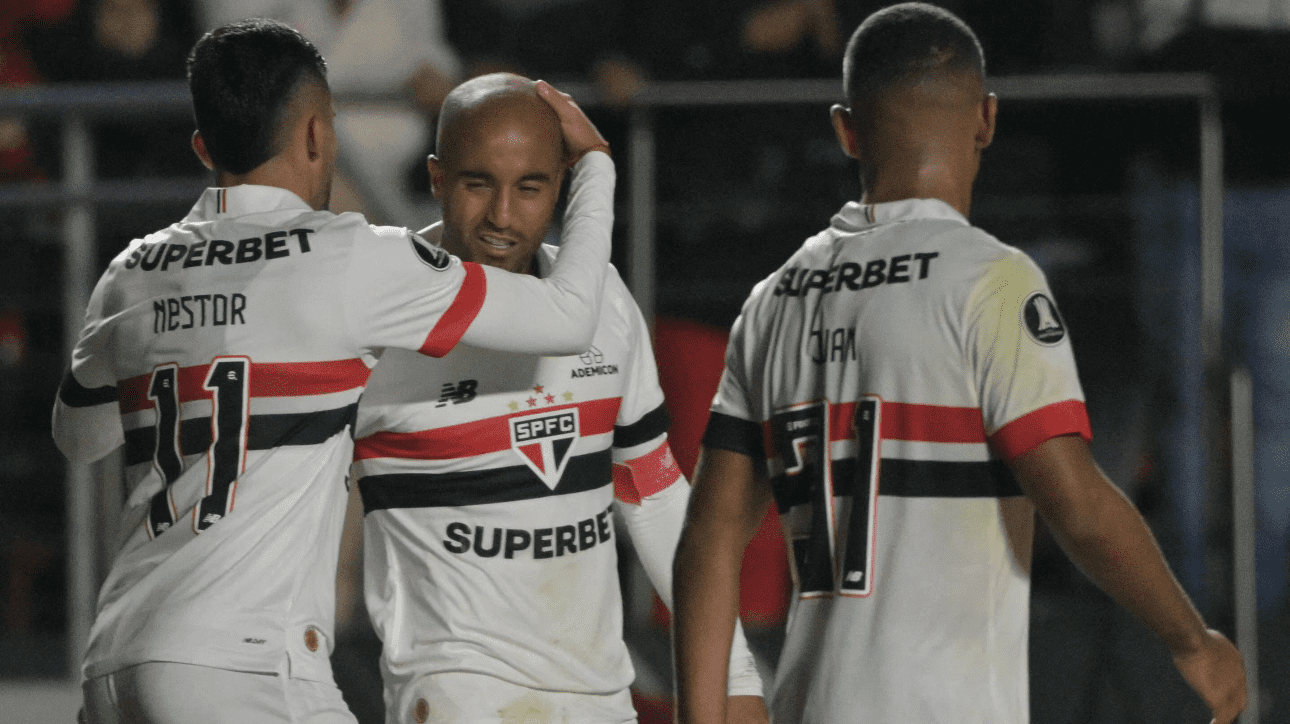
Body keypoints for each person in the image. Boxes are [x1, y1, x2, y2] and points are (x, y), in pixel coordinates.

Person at [671, 4, 1247, 724]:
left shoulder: (774, 299)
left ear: (846, 130)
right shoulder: (992, 280)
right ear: (987, 120)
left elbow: (707, 540)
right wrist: (1192, 639)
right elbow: (1075, 504)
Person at [52, 19, 616, 723]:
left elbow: (78, 438)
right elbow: (568, 317)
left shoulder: (131, 270)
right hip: (241, 663)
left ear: (203, 147)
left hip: (113, 664)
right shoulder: (351, 257)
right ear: (318, 134)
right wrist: (595, 167)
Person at [350, 73, 765, 724]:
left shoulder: (603, 298)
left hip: (599, 696)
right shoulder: (372, 316)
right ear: (436, 178)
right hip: (459, 697)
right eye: (477, 183)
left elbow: (651, 492)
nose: (502, 215)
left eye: (530, 187)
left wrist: (735, 674)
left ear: (561, 186)